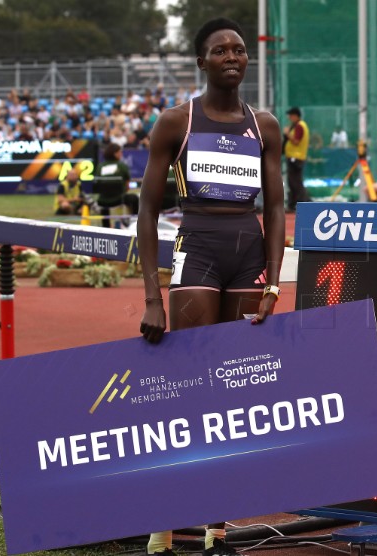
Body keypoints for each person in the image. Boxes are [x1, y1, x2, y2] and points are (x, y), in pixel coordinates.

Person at [137, 17, 285, 556]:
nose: (232, 56)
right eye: (220, 50)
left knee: (234, 390)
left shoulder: (264, 126)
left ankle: (216, 528)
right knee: (187, 387)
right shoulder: (176, 122)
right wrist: (152, 297)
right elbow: (148, 210)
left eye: (240, 50)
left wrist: (270, 284)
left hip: (248, 252)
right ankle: (164, 523)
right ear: (202, 61)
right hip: (197, 246)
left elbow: (274, 206)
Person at [95, 143, 139, 227]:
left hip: (102, 201)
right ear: (115, 154)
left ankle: (105, 226)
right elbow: (127, 186)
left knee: (104, 203)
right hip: (119, 199)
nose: (121, 154)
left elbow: (97, 183)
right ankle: (134, 222)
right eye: (120, 152)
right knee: (134, 198)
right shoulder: (122, 166)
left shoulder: (100, 167)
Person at [283, 106, 311, 211]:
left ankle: (300, 203)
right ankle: (296, 203)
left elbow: (296, 141)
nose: (289, 117)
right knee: (294, 181)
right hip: (295, 157)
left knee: (295, 182)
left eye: (291, 115)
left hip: (296, 157)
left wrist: (287, 134)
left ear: (296, 116)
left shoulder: (299, 126)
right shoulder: (297, 126)